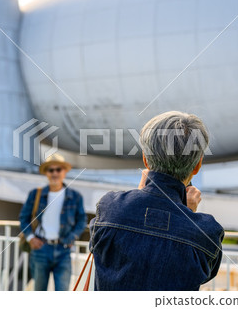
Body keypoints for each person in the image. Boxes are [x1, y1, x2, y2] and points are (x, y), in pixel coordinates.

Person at [89, 111, 224, 291]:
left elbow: (97, 247)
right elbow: (203, 273)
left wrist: (138, 197)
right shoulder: (207, 232)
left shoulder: (109, 207)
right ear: (197, 165)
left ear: (145, 159)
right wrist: (187, 213)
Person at [19, 153, 86, 291]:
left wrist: (72, 238)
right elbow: (24, 218)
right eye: (51, 170)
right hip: (40, 250)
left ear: (64, 172)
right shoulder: (35, 194)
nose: (54, 173)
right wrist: (31, 238)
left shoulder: (75, 197)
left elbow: (82, 221)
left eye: (58, 170)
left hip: (64, 250)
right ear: (46, 173)